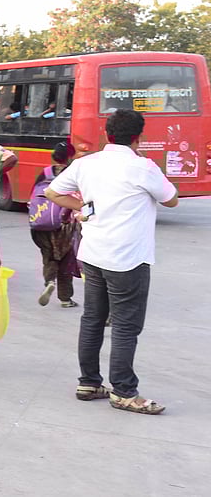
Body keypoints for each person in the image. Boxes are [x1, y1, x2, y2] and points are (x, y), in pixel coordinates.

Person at [46, 109, 178, 415]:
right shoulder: (142, 167)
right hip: (128, 258)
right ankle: (123, 391)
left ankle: (89, 381)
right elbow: (171, 198)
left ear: (107, 134)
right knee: (125, 325)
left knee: (93, 318)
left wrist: (83, 206)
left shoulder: (86, 163)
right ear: (138, 137)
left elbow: (54, 192)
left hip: (92, 254)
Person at [31, 143, 80, 309]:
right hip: (64, 224)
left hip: (42, 223)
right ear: (70, 157)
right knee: (66, 259)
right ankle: (65, 298)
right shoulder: (72, 174)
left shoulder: (43, 173)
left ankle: (50, 281)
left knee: (49, 256)